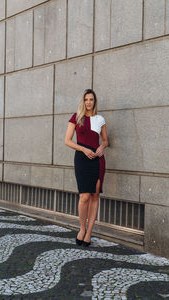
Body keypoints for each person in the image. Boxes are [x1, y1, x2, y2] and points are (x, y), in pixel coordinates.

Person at [65, 89, 108, 247]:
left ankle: (89, 233)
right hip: (82, 160)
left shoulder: (100, 119)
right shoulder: (76, 118)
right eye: (86, 99)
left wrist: (102, 147)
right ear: (83, 102)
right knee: (84, 197)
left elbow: (105, 141)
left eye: (91, 99)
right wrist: (83, 149)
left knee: (95, 197)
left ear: (94, 102)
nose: (88, 102)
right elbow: (67, 141)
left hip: (97, 161)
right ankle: (81, 229)